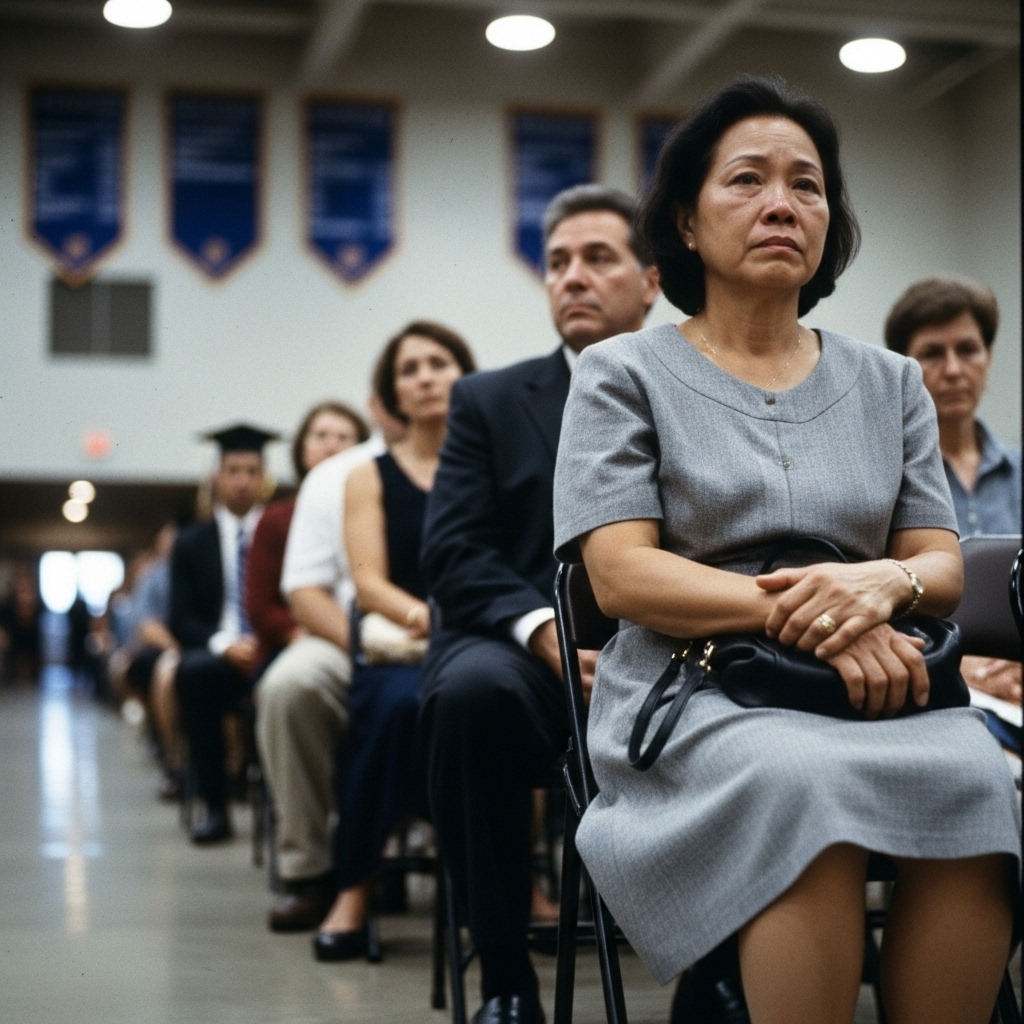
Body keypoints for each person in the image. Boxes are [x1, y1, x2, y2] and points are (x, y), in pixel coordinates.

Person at [551, 77, 1019, 1024]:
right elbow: (620, 574)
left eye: (806, 186)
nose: (780, 204)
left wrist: (882, 584)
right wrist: (808, 615)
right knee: (805, 782)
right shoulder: (622, 371)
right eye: (747, 181)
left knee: (974, 776)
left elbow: (938, 560)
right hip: (694, 688)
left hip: (875, 682)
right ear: (684, 221)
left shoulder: (891, 382)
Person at [418, 184, 659, 1024]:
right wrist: (542, 630)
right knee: (468, 696)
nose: (573, 278)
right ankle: (507, 980)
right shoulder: (488, 401)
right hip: (524, 655)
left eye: (599, 258)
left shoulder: (694, 388)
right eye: (558, 263)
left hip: (669, 649)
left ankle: (723, 976)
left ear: (652, 278)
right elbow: (451, 550)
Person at [314, 322, 476, 961]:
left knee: (492, 703)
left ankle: (517, 882)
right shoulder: (368, 476)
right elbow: (369, 584)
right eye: (410, 369)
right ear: (393, 394)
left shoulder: (489, 462)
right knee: (396, 707)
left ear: (466, 376)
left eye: (440, 362)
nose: (427, 376)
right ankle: (353, 882)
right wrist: (435, 621)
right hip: (405, 643)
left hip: (482, 638)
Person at [256, 397, 402, 932]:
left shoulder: (474, 454)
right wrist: (364, 649)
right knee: (289, 686)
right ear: (380, 401)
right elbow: (304, 592)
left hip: (450, 633)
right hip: (345, 634)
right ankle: (308, 871)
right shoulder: (336, 476)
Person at [885, 276, 1022, 706]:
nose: (953, 370)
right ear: (901, 366)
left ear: (988, 358)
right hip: (933, 679)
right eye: (932, 354)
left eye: (967, 350)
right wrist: (957, 663)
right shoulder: (885, 485)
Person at [171, 423, 278, 844]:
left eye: (252, 470)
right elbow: (181, 618)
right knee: (193, 672)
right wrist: (226, 645)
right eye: (233, 470)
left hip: (271, 648)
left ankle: (280, 806)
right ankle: (216, 806)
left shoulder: (278, 530)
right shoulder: (191, 541)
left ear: (263, 477)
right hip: (218, 655)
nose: (242, 480)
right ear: (218, 477)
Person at [246, 401, 369, 664]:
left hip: (369, 633)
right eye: (321, 436)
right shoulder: (275, 519)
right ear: (302, 448)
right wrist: (309, 626)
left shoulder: (377, 512)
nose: (332, 446)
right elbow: (261, 606)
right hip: (298, 638)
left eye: (344, 438)